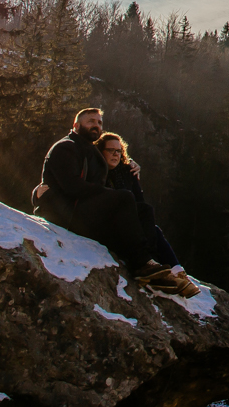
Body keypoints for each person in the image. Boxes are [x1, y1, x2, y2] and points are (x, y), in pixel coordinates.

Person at [33, 107, 183, 292]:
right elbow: (71, 186)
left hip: (84, 213)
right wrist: (37, 194)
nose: (96, 125)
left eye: (99, 122)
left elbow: (113, 157)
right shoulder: (66, 147)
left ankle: (152, 266)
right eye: (91, 121)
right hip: (67, 215)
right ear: (76, 125)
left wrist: (131, 166)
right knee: (123, 198)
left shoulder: (92, 152)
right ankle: (141, 263)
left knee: (144, 210)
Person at [98, 132, 200, 298]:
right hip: (112, 226)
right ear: (100, 151)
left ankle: (178, 273)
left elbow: (140, 201)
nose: (116, 154)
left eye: (119, 151)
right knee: (148, 221)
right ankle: (153, 265)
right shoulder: (98, 172)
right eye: (111, 150)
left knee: (153, 228)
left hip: (132, 223)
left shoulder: (127, 172)